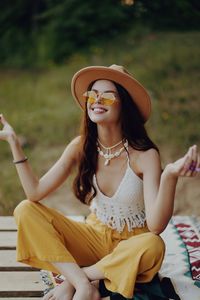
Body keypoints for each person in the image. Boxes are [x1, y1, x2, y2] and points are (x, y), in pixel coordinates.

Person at [0, 64, 199, 300]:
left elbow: (155, 226)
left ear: (124, 105)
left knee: (154, 245)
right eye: (92, 95)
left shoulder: (145, 155)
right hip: (93, 238)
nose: (97, 101)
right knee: (25, 209)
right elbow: (35, 193)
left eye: (107, 96)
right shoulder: (80, 146)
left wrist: (170, 176)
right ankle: (85, 284)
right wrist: (14, 142)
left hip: (131, 247)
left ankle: (78, 280)